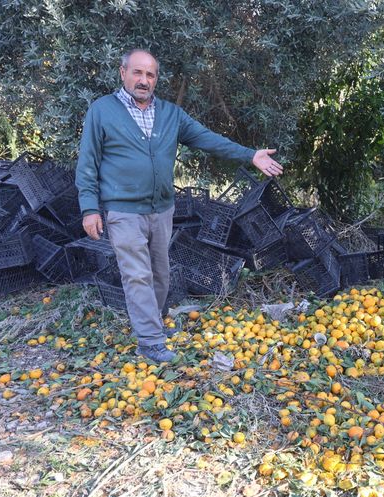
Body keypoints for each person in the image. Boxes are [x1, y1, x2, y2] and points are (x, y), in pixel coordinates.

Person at [75, 49, 283, 363]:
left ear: (156, 79)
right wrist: (89, 208)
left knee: (160, 273)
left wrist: (250, 154)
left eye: (150, 75)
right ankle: (150, 342)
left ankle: (155, 323)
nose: (143, 80)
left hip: (161, 210)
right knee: (137, 275)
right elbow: (88, 163)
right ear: (123, 73)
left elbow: (207, 138)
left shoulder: (170, 114)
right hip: (124, 210)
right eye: (137, 72)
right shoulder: (102, 111)